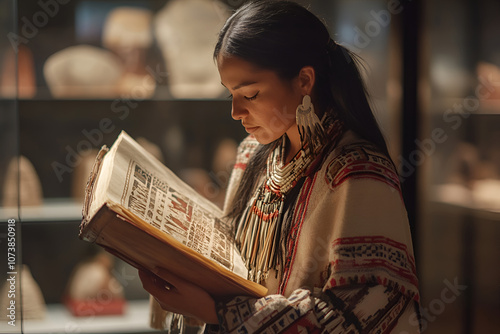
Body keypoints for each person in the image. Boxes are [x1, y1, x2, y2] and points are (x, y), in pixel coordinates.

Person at [139, 0, 421, 333]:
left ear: (304, 81)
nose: (235, 112)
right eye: (230, 93)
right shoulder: (252, 157)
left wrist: (222, 312)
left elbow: (365, 313)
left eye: (251, 94)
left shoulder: (356, 174)